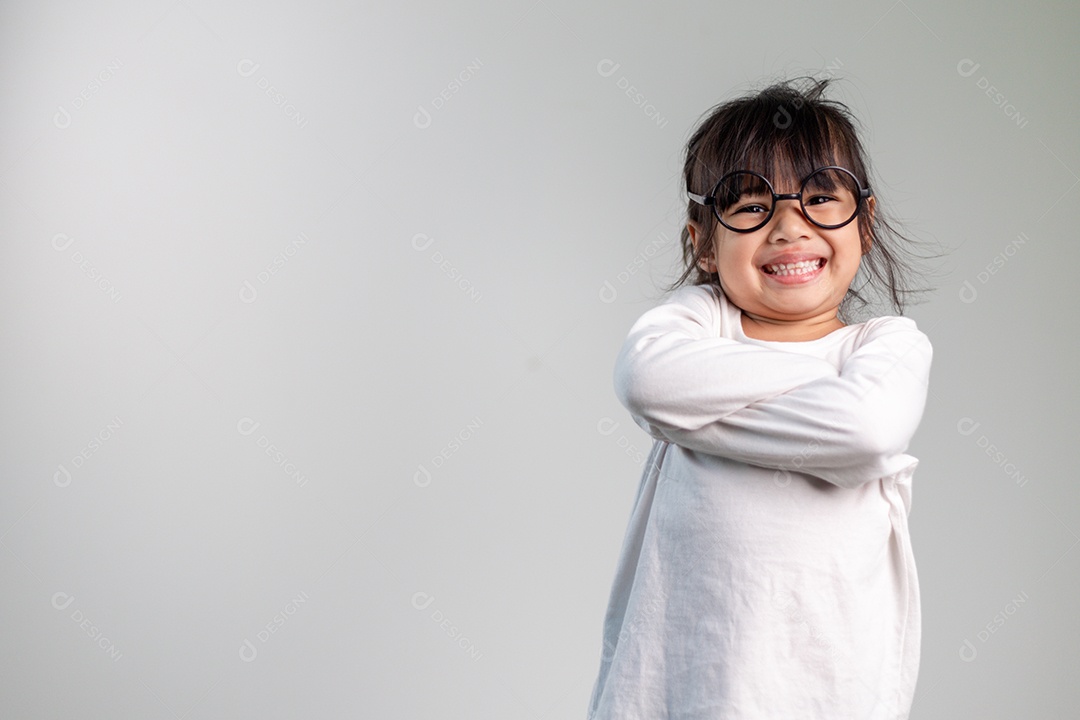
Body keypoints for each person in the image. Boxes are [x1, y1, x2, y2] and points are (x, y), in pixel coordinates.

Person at [586, 76, 935, 719]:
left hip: (828, 695)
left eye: (819, 197)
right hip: (669, 694)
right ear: (702, 242)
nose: (788, 226)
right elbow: (646, 382)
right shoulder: (697, 319)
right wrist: (824, 390)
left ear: (866, 220)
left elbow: (867, 430)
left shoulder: (888, 344)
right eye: (748, 206)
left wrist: (692, 417)